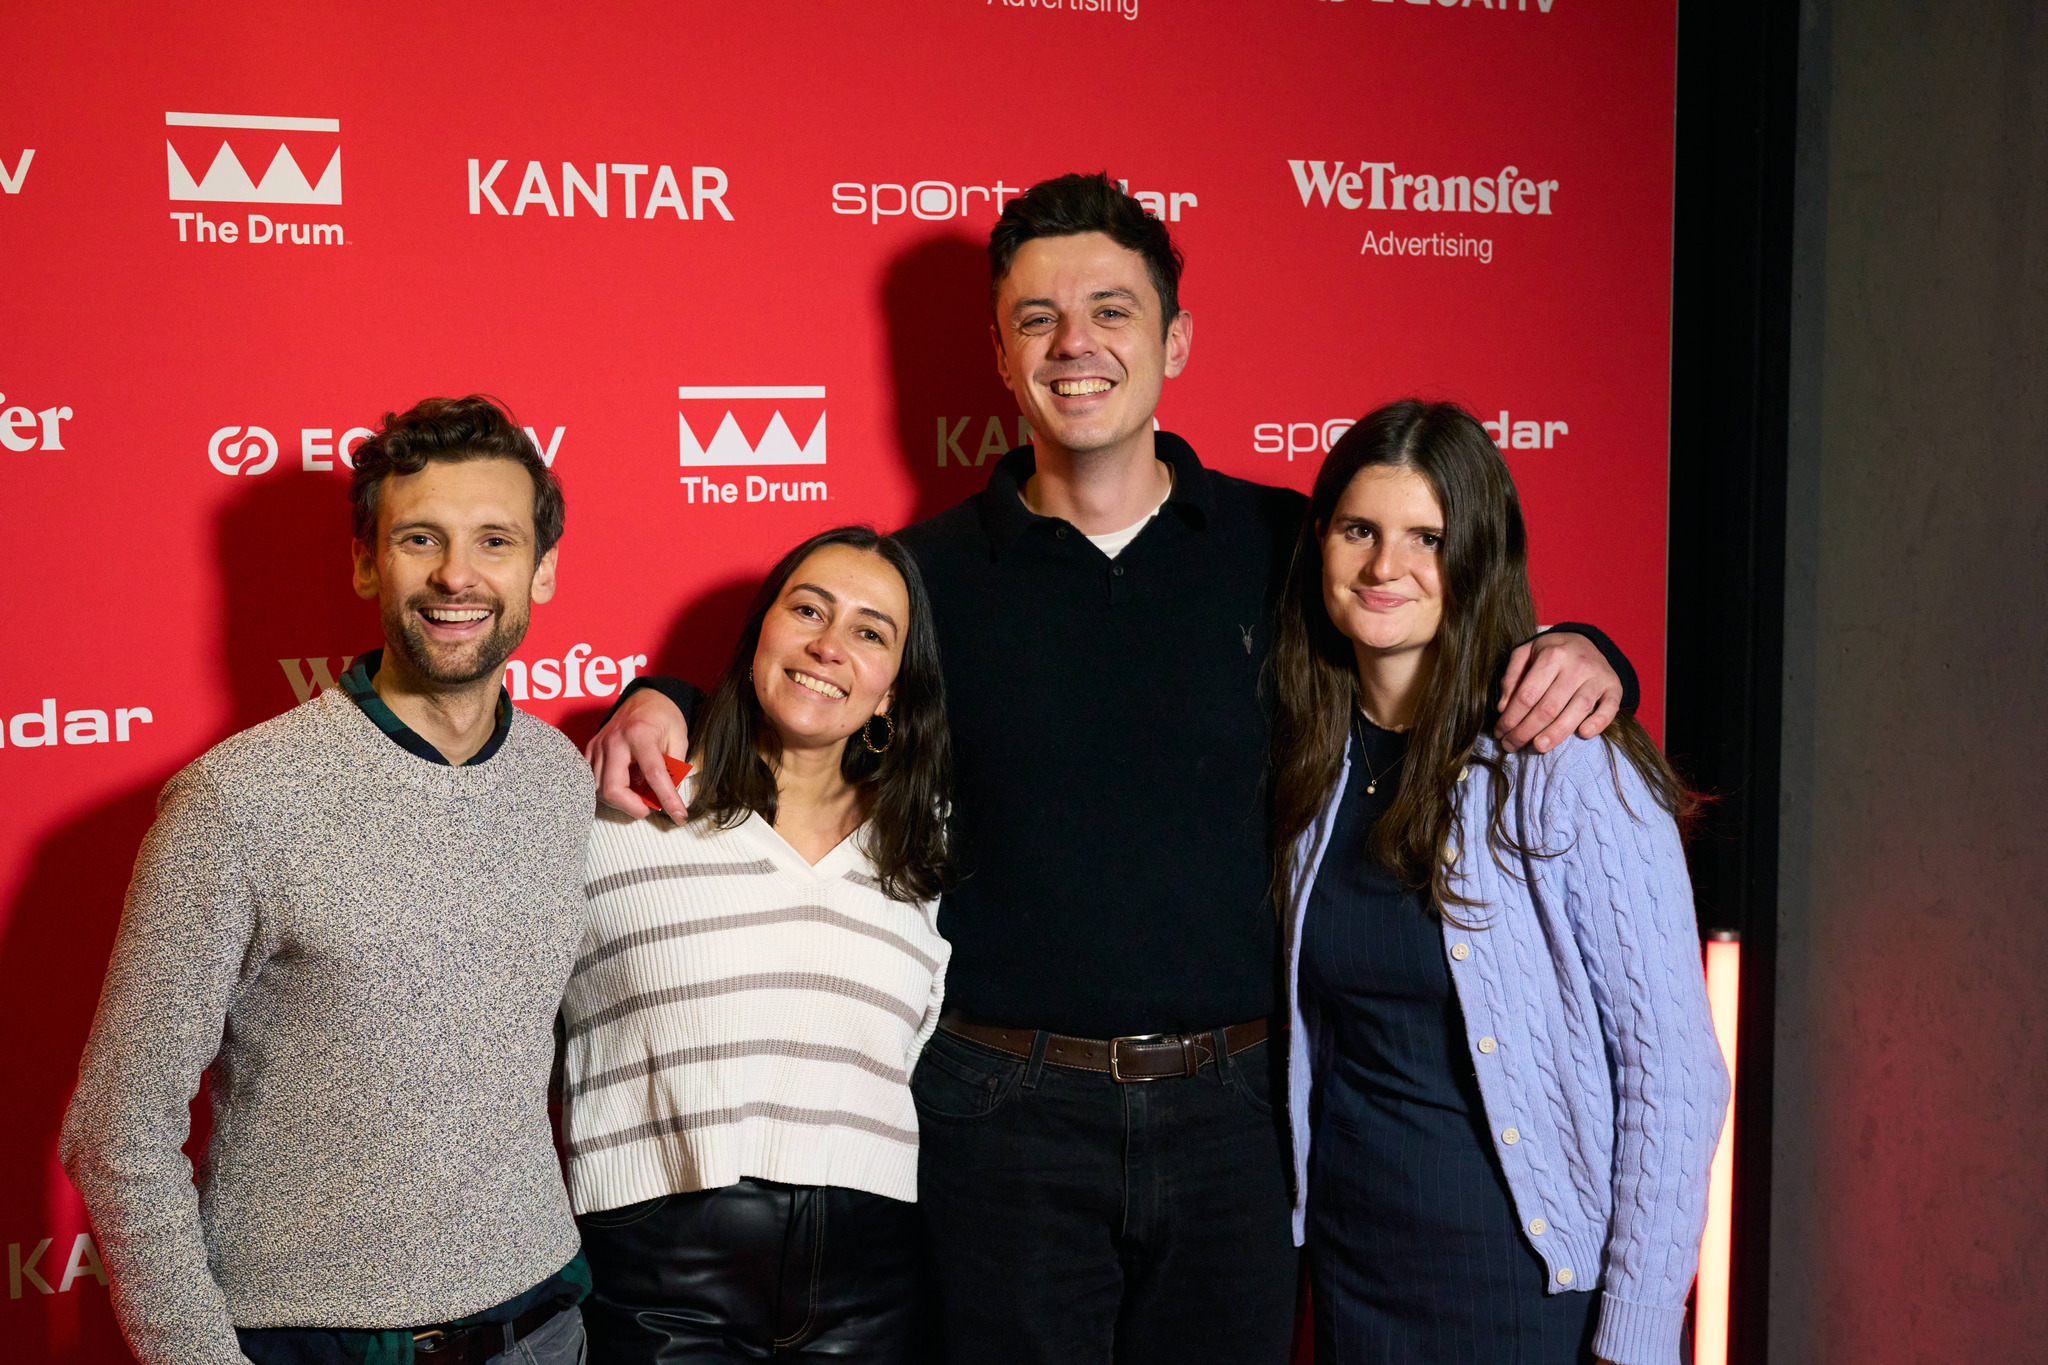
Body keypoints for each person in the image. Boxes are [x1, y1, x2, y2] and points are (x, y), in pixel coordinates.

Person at [586, 174, 1638, 1363]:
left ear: (1174, 341)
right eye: (1036, 319)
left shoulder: (1284, 545)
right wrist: (664, 697)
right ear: (999, 355)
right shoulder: (926, 575)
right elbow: (803, 690)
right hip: (1000, 1113)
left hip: (1239, 1112)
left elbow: (1432, 634)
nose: (1073, 344)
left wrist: (1586, 651)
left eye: (1110, 311)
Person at [61, 396, 593, 1365]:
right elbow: (116, 1127)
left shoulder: (561, 778)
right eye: (420, 538)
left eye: (495, 541)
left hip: (543, 1329)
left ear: (542, 569)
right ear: (365, 563)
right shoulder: (238, 800)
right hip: (313, 1343)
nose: (457, 575)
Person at [1270, 400, 1729, 1365]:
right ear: (1321, 543)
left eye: (1427, 538)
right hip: (1355, 1270)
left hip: (1522, 1283)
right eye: (1360, 529)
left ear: (1477, 556)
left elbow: (1675, 1069)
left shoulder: (1564, 755)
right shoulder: (1308, 757)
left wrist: (1639, 1329)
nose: (1386, 566)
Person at [561, 526, 952, 1363]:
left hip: (874, 1282)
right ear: (758, 637)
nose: (829, 644)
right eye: (808, 609)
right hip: (659, 1272)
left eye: (870, 631)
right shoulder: (621, 810)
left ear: (891, 692)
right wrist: (656, 696)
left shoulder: (922, 847)